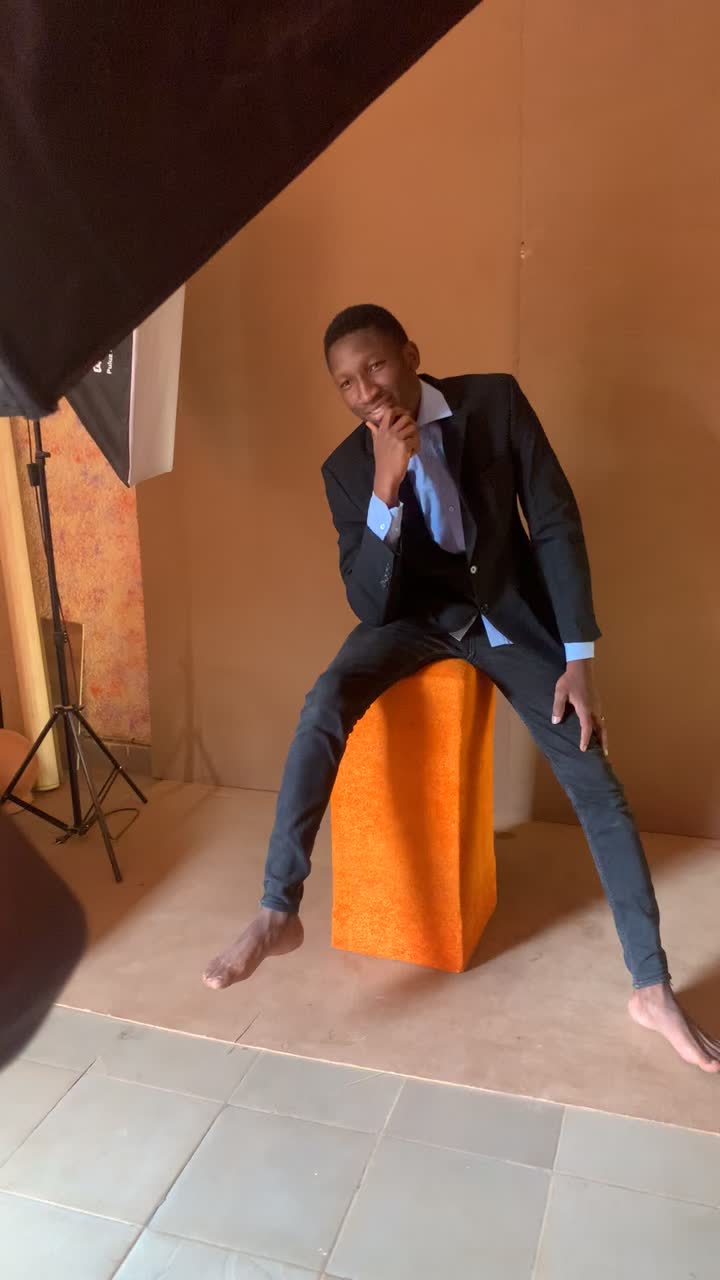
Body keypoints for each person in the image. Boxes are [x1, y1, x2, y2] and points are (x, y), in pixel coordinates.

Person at [203, 303, 719, 1074]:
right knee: (324, 704)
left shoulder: (495, 402)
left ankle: (651, 987)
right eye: (346, 383)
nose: (366, 392)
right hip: (409, 621)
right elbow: (369, 603)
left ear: (410, 355)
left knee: (593, 774)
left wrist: (578, 655)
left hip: (503, 618)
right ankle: (279, 909)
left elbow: (554, 521)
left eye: (376, 367)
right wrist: (386, 487)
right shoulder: (346, 470)